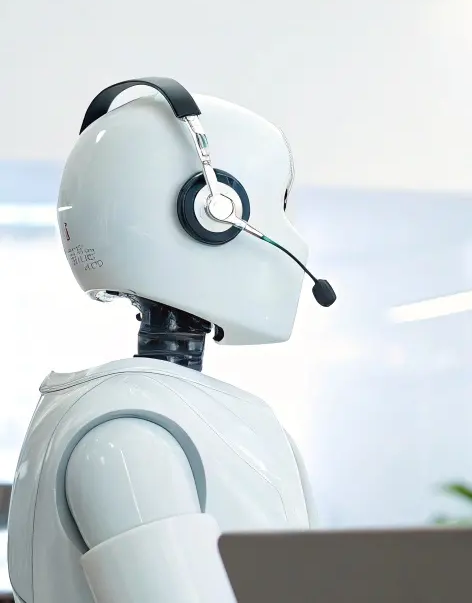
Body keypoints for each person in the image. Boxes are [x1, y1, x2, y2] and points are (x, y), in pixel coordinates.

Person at [6, 78, 332, 603]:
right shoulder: (130, 439)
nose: (295, 240)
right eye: (282, 205)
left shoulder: (143, 415)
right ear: (215, 209)